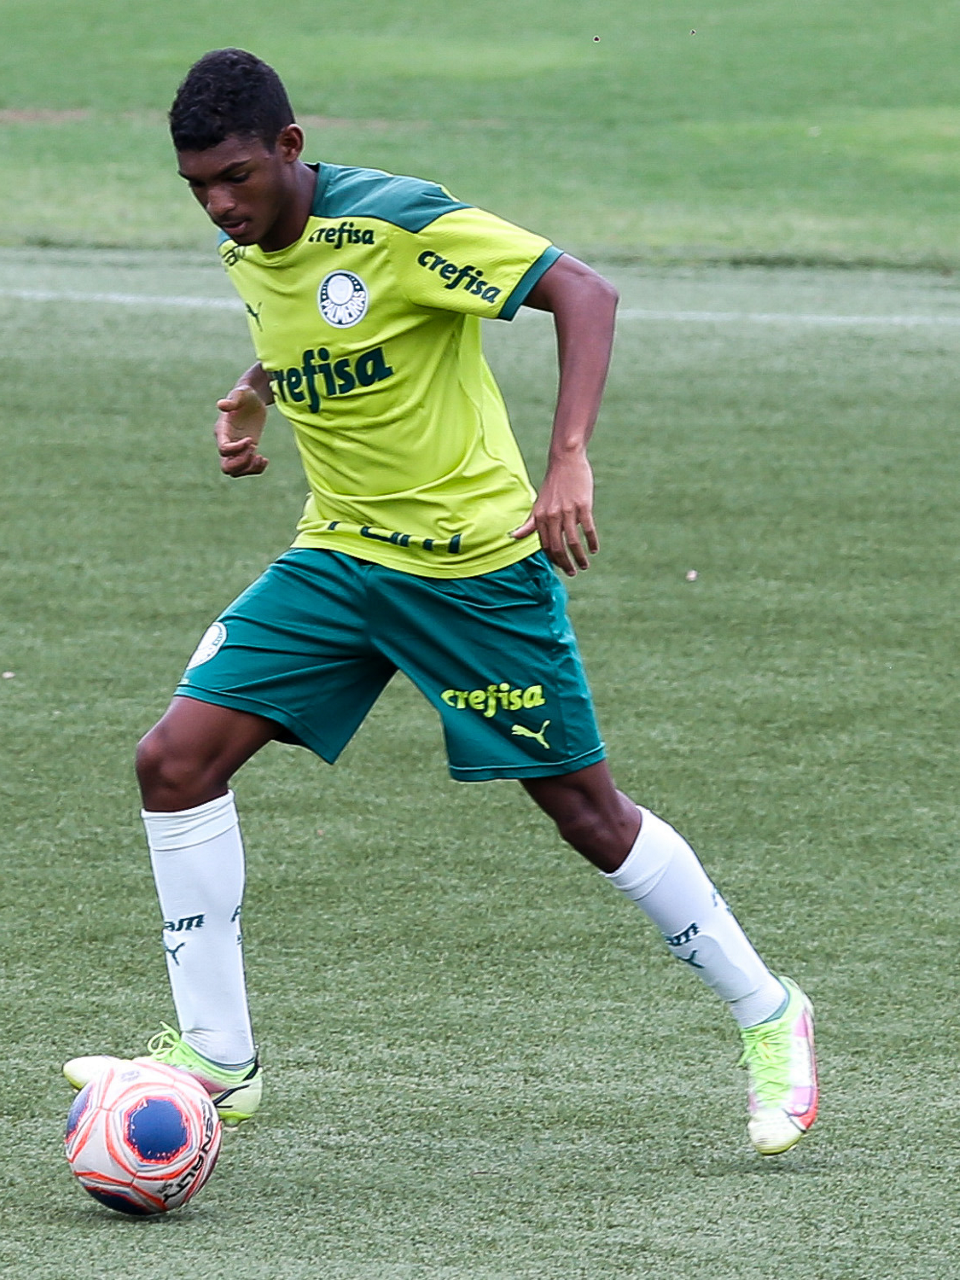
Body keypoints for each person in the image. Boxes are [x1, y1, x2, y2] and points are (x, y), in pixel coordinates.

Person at [63, 47, 818, 1156]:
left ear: (289, 148)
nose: (219, 205)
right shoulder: (251, 246)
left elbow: (582, 290)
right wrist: (256, 389)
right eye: (197, 187)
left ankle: (769, 1011)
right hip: (338, 558)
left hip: (472, 572)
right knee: (173, 762)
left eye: (235, 177)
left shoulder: (397, 223)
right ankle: (219, 1056)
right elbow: (326, 327)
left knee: (588, 817)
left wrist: (567, 459)